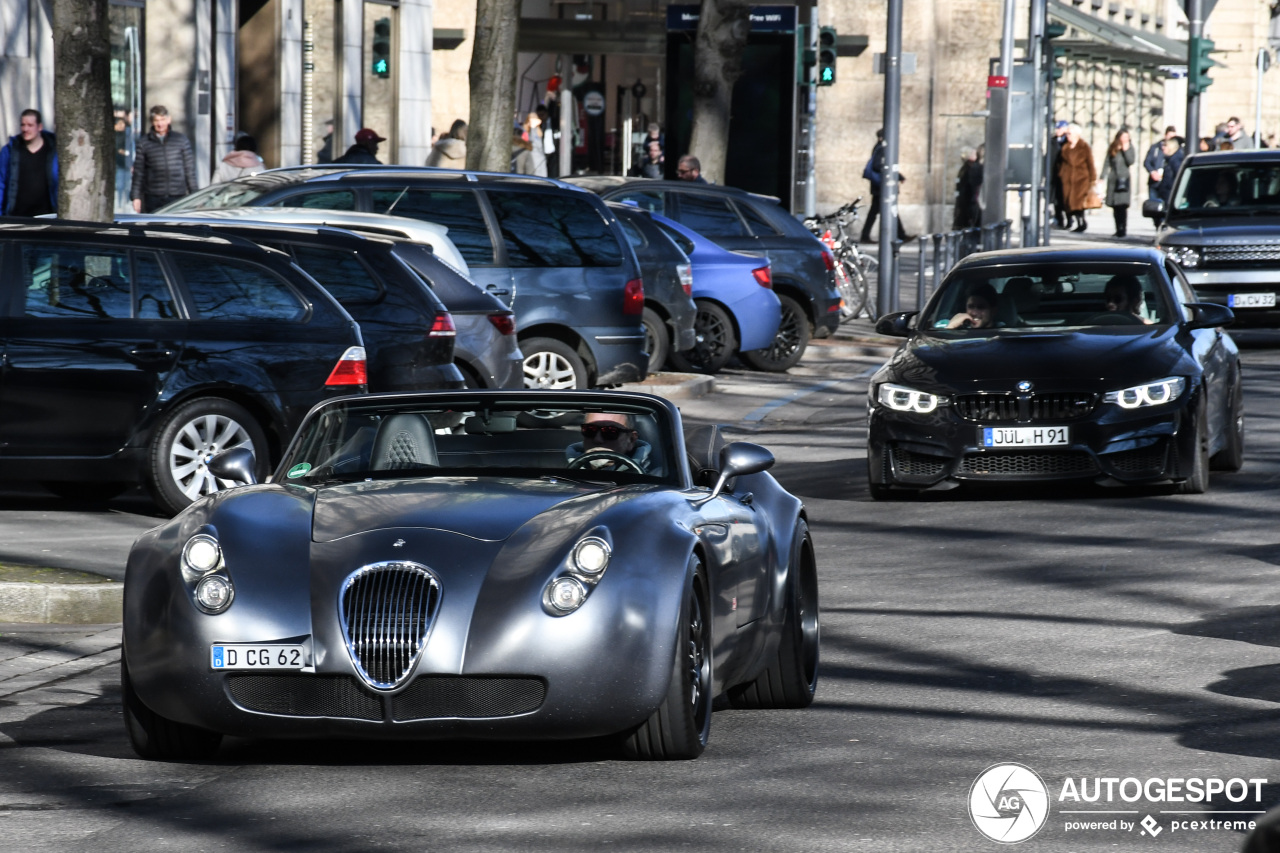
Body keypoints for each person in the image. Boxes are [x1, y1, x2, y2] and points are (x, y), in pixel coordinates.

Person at [131, 105, 196, 213]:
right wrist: (136, 197)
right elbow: (139, 172)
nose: (160, 124)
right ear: (152, 122)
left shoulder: (181, 140)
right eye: (156, 120)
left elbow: (189, 170)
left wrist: (194, 195)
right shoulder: (144, 142)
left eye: (162, 120)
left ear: (168, 120)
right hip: (153, 197)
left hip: (177, 196)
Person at [0, 108, 58, 217]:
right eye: (23, 125)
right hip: (17, 217)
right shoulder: (10, 151)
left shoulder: (54, 150)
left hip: (48, 216)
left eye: (30, 125)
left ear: (39, 127)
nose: (25, 129)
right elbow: (1, 183)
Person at [859, 128, 910, 243]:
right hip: (882, 187)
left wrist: (898, 176)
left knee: (876, 212)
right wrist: (897, 176)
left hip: (880, 187)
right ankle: (901, 235)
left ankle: (865, 235)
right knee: (890, 210)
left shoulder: (878, 147)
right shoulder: (882, 148)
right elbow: (880, 166)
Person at [565, 412, 653, 472]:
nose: (597, 439)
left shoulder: (653, 478)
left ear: (631, 440)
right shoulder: (561, 473)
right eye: (590, 430)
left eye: (610, 432)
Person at [1056, 123, 1096, 233]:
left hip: (1081, 179)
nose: (1067, 136)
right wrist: (1061, 174)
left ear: (1076, 134)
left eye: (1069, 133)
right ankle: (1077, 221)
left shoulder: (1084, 146)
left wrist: (1093, 179)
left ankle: (1081, 222)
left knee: (1078, 202)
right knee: (1069, 202)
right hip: (1067, 180)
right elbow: (1060, 164)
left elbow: (1090, 163)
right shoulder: (1065, 148)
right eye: (1067, 133)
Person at [1101, 128, 1136, 238]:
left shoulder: (1130, 148)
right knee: (1115, 206)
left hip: (1124, 179)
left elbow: (1131, 161)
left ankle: (1123, 229)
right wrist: (1102, 176)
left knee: (1122, 206)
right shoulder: (1114, 147)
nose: (1126, 139)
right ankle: (1117, 228)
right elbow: (1107, 162)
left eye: (1127, 137)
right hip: (1114, 179)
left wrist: (1125, 151)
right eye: (1124, 137)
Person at [1153, 136, 1185, 221]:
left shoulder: (1175, 160)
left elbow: (1178, 176)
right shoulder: (1170, 159)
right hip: (1167, 193)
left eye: (1165, 146)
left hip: (1170, 194)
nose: (1163, 148)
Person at [1144, 125, 1176, 201]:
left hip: (1167, 184)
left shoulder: (1175, 150)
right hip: (1155, 182)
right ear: (1165, 136)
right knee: (1153, 204)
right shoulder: (1155, 147)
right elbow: (1147, 162)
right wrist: (1152, 172)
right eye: (1170, 136)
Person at [1051, 121, 1069, 226]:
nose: (1057, 131)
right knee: (1056, 199)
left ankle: (1069, 219)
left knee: (1065, 198)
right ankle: (1059, 219)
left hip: (1066, 174)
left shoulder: (1068, 141)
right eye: (1057, 129)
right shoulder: (1053, 141)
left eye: (1060, 129)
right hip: (1055, 174)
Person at [522, 111, 547, 177]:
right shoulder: (525, 131)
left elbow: (539, 140)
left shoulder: (537, 130)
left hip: (540, 157)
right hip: (532, 157)